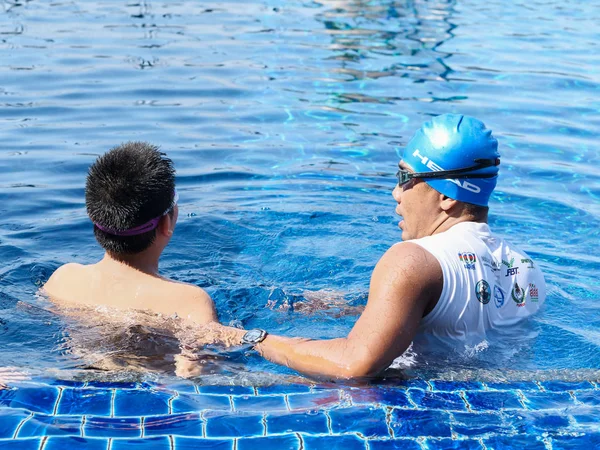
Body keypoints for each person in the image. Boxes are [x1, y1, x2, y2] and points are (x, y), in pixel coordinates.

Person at [216, 114, 546, 379]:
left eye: (405, 178)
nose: (396, 193)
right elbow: (461, 328)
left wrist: (250, 338)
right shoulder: (527, 270)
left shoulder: (413, 261)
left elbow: (353, 365)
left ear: (446, 195)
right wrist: (356, 310)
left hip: (415, 420)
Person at [43, 142, 217, 324]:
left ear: (93, 216)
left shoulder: (64, 279)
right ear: (166, 223)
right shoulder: (188, 301)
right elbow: (212, 342)